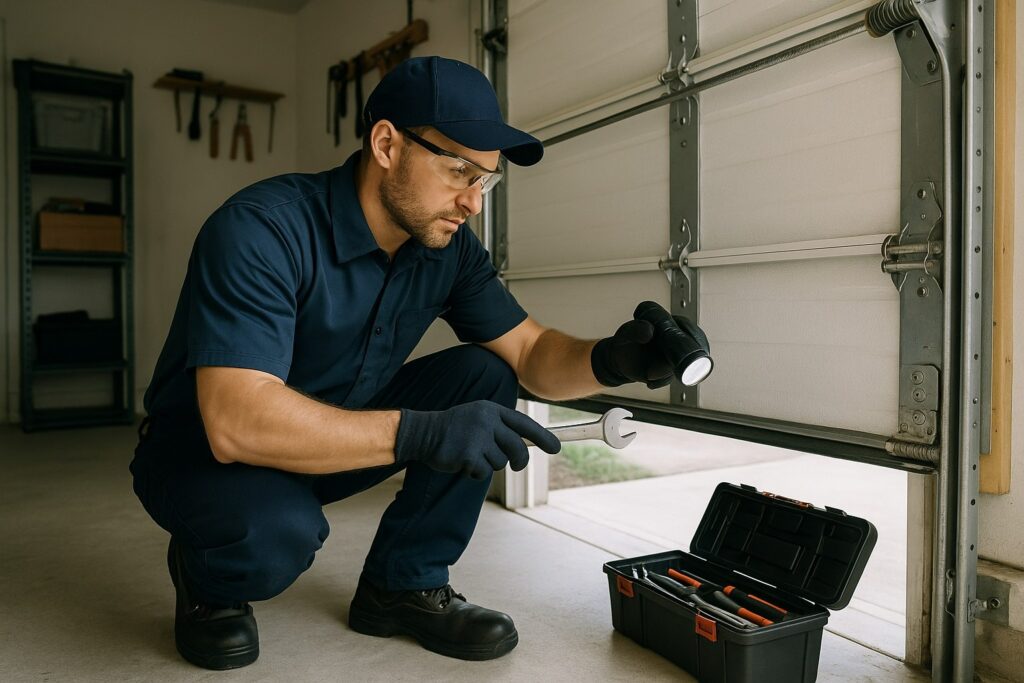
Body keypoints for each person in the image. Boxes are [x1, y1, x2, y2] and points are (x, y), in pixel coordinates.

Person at [130, 56, 708, 671]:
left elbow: (531, 353)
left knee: (485, 376)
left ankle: (401, 585)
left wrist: (613, 360)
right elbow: (237, 421)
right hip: (207, 456)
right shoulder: (261, 229)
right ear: (386, 144)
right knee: (276, 535)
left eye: (485, 180)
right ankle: (208, 582)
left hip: (338, 439)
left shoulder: (448, 248)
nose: (473, 202)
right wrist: (423, 433)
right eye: (459, 170)